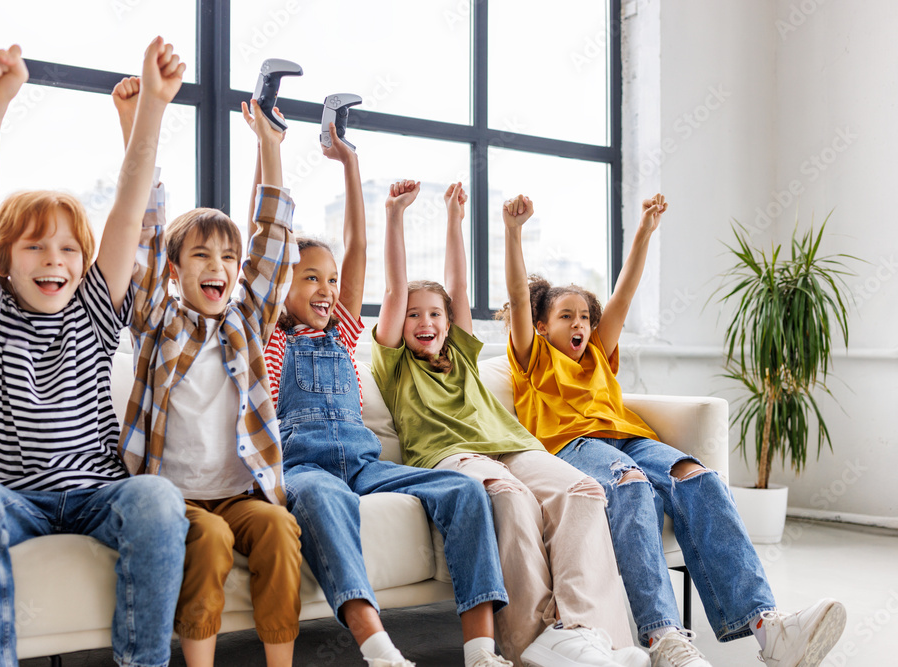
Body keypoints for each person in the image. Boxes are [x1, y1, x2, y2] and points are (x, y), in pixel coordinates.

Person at [497, 192, 847, 667]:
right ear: (541, 326)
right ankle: (663, 638)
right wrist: (513, 233)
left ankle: (769, 628)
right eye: (566, 317)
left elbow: (624, 292)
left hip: (632, 439)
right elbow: (519, 295)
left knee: (696, 476)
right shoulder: (532, 358)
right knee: (631, 485)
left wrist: (643, 231)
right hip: (573, 448)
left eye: (584, 316)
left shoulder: (598, 351)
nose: (579, 324)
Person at [0, 38, 189, 667]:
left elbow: (128, 215)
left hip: (98, 492)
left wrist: (152, 108)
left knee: (157, 497)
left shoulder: (94, 312)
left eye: (69, 249)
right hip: (12, 496)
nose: (55, 260)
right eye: (36, 248)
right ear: (5, 261)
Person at [371, 181, 647, 667]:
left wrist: (456, 222)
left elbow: (457, 289)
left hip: (514, 445)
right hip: (451, 456)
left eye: (434, 313)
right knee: (511, 497)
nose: (425, 321)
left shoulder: (460, 351)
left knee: (584, 491)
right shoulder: (393, 363)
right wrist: (394, 217)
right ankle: (531, 644)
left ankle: (593, 637)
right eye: (414, 315)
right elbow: (395, 289)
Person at [262, 139, 511, 667]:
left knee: (464, 490)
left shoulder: (344, 329)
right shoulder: (269, 339)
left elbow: (357, 247)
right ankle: (380, 650)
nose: (327, 289)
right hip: (303, 467)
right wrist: (272, 148)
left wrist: (351, 165)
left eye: (331, 281)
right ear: (280, 283)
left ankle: (482, 651)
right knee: (323, 501)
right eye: (310, 278)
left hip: (367, 463)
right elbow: (270, 243)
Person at [114, 79, 302, 667]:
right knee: (213, 540)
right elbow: (143, 237)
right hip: (177, 499)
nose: (217, 267)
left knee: (276, 527)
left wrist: (269, 145)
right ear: (175, 271)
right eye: (200, 256)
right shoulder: (156, 319)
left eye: (227, 258)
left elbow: (273, 242)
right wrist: (134, 127)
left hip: (238, 493)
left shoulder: (247, 320)